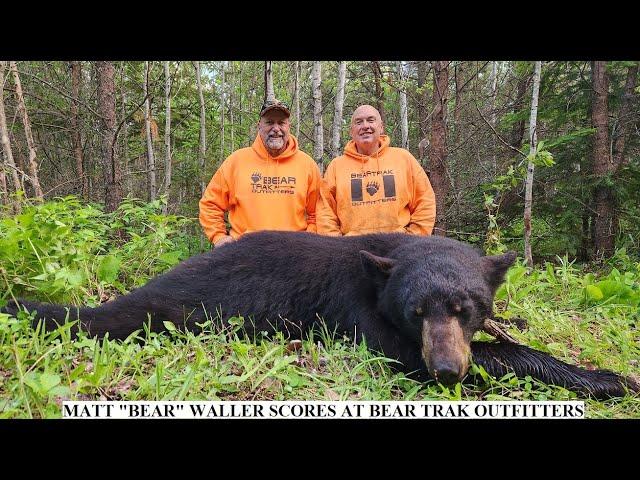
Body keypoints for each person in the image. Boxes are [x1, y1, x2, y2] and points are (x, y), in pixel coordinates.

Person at [199, 99, 321, 247]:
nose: (276, 128)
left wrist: (307, 243)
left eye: (281, 123)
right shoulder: (236, 162)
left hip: (293, 256)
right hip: (245, 254)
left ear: (289, 126)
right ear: (259, 126)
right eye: (269, 122)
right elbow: (210, 205)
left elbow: (318, 214)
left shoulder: (307, 165)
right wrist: (219, 237)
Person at [317, 104, 436, 236]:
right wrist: (336, 246)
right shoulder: (336, 166)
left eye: (371, 120)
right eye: (359, 122)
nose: (365, 126)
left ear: (381, 127)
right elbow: (325, 213)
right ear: (351, 131)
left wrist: (414, 240)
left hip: (399, 246)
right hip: (351, 248)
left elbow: (425, 201)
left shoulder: (403, 159)